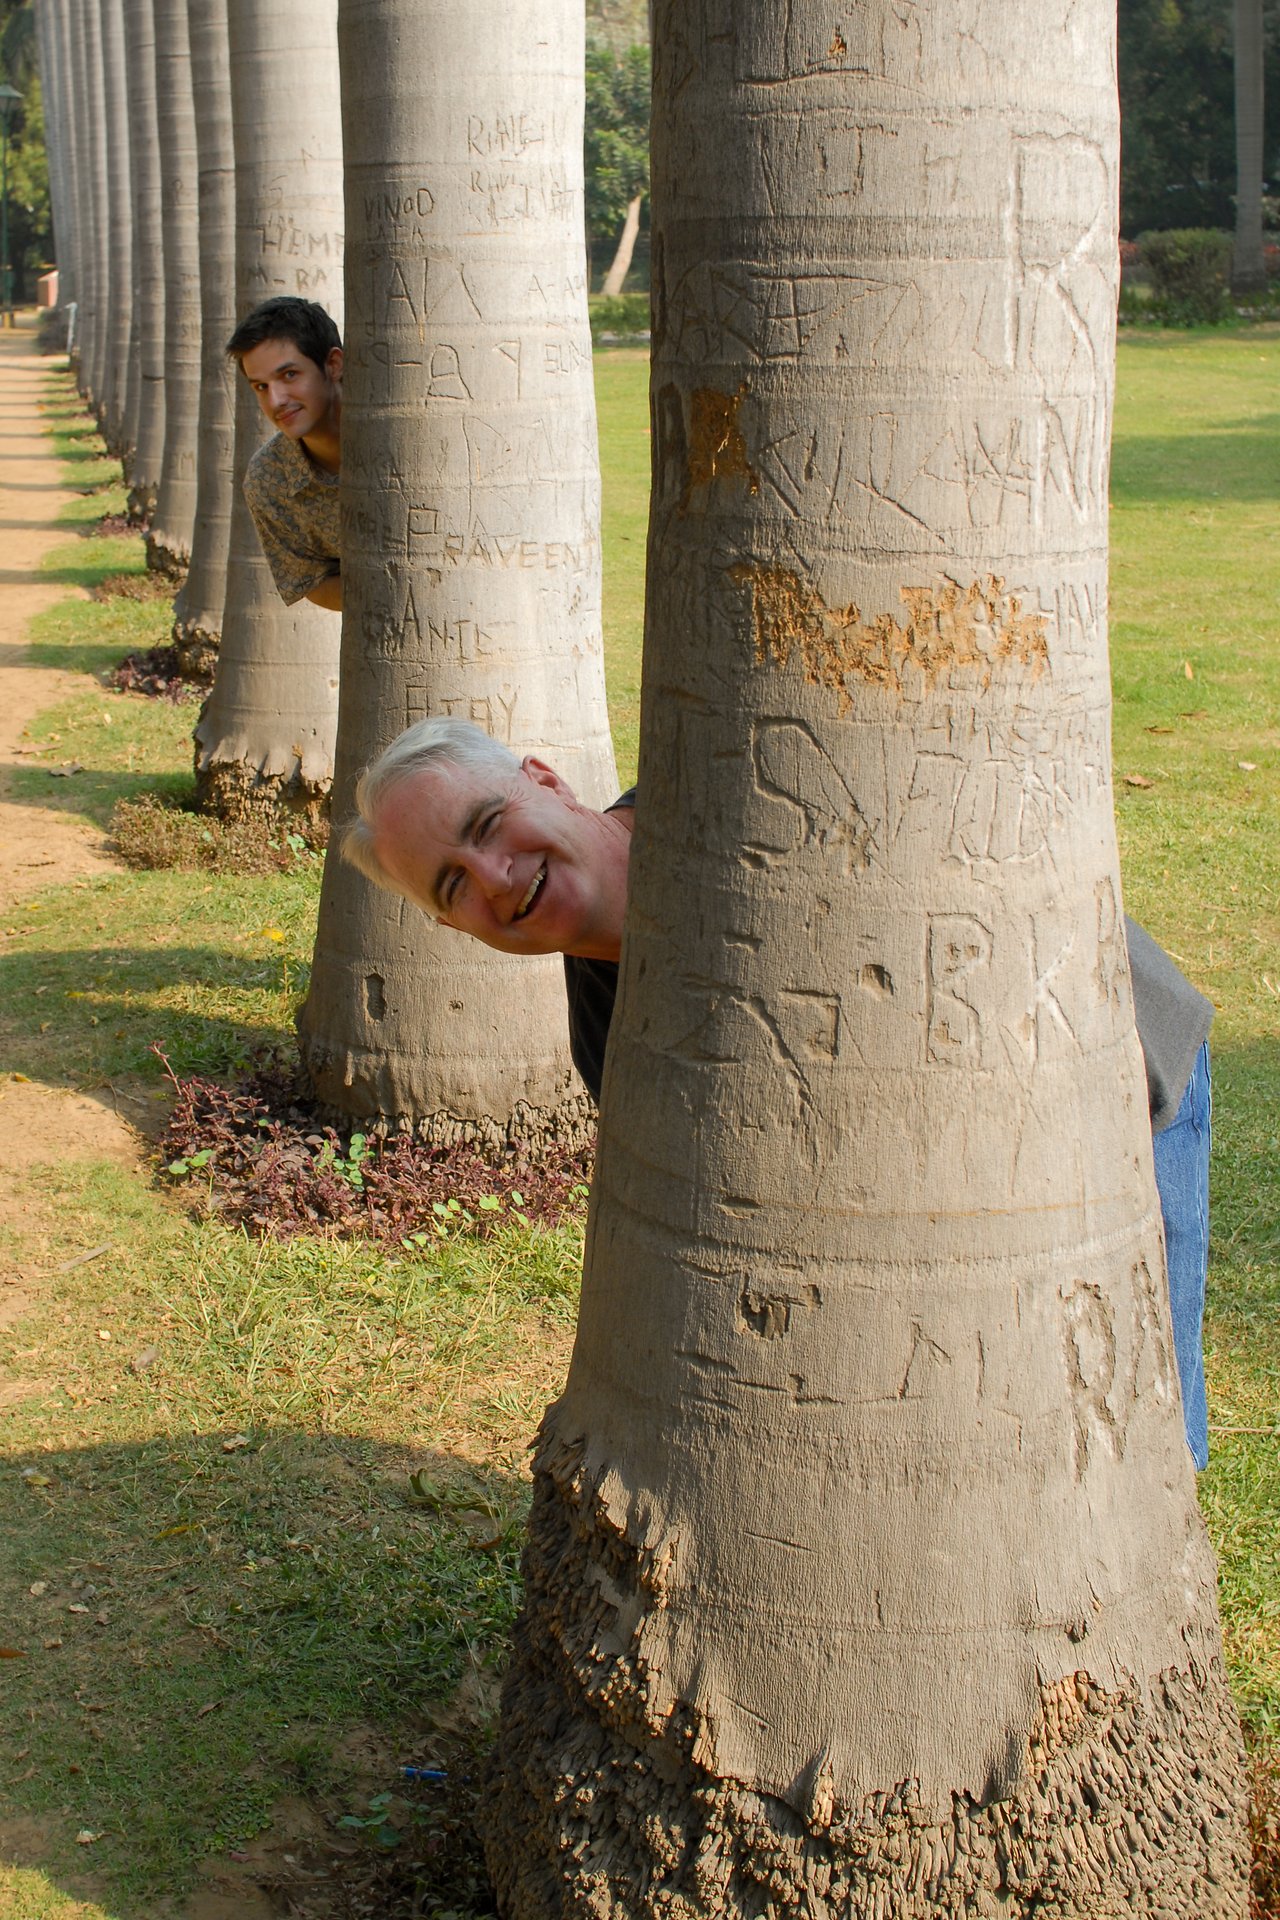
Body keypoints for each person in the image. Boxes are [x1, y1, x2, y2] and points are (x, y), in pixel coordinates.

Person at [342, 716, 1214, 1468]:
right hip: (935, 1205)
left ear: (546, 780)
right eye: (451, 885)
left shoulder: (743, 804)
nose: (495, 876)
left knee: (1139, 1435)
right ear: (447, 926)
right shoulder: (613, 1041)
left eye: (490, 822)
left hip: (1110, 1077)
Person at [224, 296, 344, 612]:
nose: (276, 400)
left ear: (332, 365)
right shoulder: (268, 479)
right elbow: (310, 581)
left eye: (289, 375)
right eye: (261, 387)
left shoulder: (404, 427)